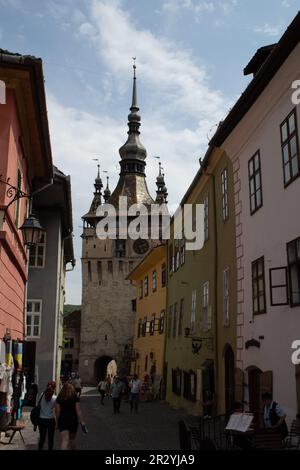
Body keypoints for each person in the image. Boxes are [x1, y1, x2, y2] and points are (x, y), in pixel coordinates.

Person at [55, 383, 86, 450]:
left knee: (64, 440)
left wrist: (57, 422)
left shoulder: (60, 396)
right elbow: (78, 410)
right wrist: (82, 421)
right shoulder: (75, 396)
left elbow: (57, 411)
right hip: (73, 420)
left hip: (63, 420)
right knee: (72, 439)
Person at [37, 381, 57, 450]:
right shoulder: (55, 398)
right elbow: (55, 408)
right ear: (54, 389)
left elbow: (38, 406)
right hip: (51, 420)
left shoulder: (42, 394)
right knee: (50, 438)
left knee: (42, 438)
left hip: (41, 419)